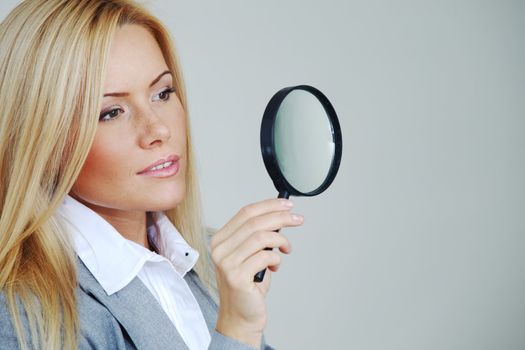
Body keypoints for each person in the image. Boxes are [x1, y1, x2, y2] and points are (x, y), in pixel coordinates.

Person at [0, 0, 304, 349]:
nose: (158, 129)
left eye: (162, 93)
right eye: (111, 112)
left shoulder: (207, 263)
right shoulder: (23, 315)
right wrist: (235, 330)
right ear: (42, 141)